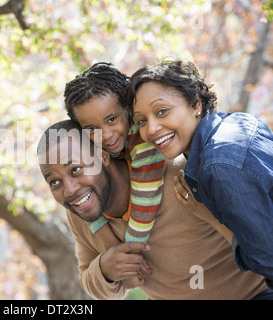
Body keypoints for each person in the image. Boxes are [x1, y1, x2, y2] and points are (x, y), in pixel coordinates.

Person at [37, 119, 271, 299]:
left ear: (101, 155)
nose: (68, 190)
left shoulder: (180, 173)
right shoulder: (81, 214)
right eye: (54, 182)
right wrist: (105, 269)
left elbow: (261, 237)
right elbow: (90, 279)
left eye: (76, 169)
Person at [126, 59, 273, 289]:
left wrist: (208, 217)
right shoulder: (237, 122)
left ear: (195, 105)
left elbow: (268, 259)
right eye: (142, 121)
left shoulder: (218, 166)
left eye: (162, 111)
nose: (151, 129)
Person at [63, 62, 166, 245]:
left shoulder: (143, 141)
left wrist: (132, 248)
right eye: (92, 128)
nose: (106, 135)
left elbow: (146, 201)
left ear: (127, 108)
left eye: (111, 119)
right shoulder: (90, 147)